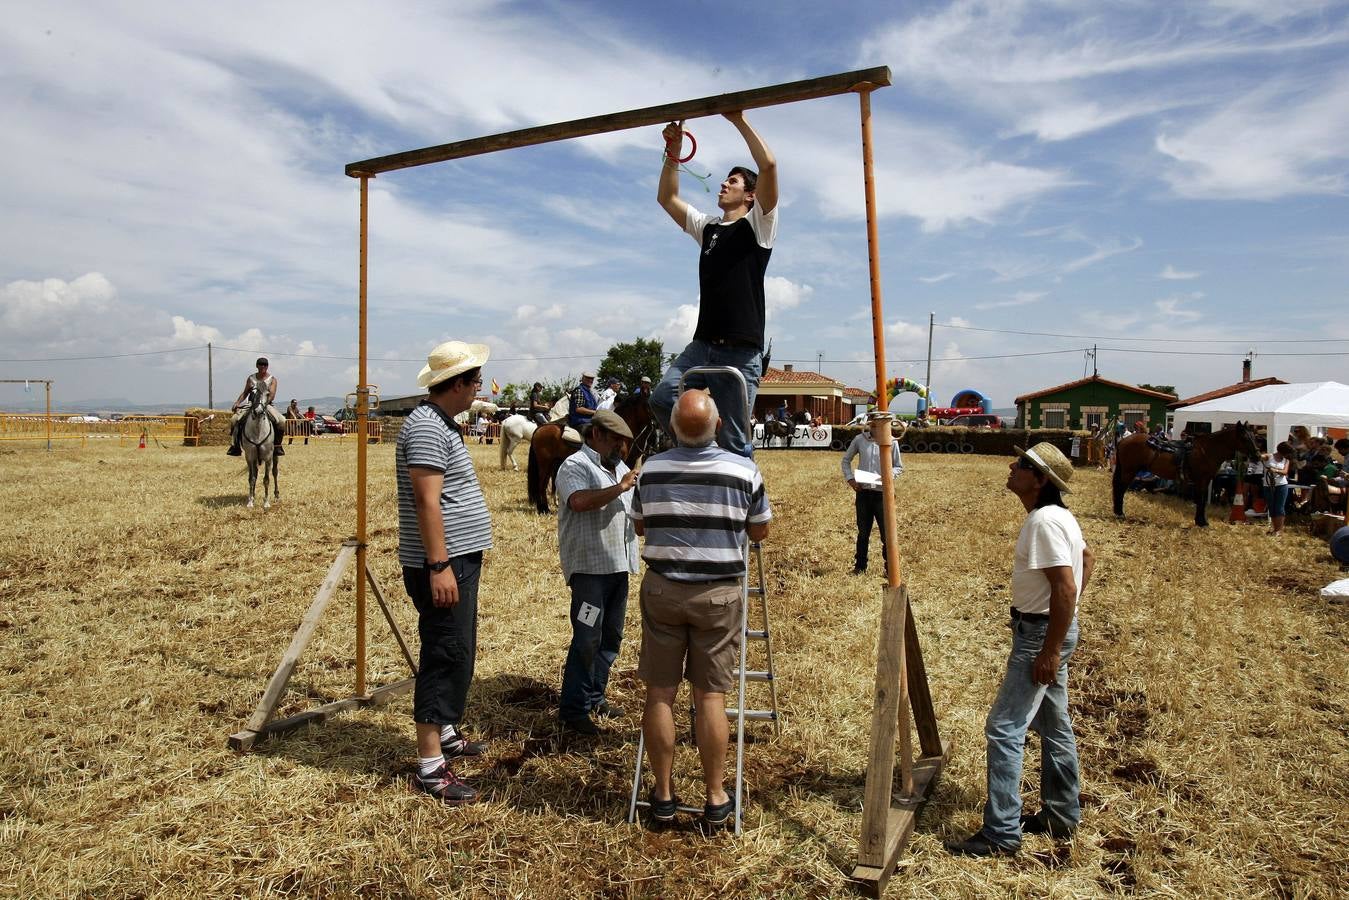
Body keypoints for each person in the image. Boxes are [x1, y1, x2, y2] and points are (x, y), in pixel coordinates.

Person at [630, 390, 772, 827]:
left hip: (662, 590)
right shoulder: (743, 470)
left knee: (660, 693)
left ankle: (663, 796)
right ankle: (714, 796)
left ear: (672, 427)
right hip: (718, 595)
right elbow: (760, 531)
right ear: (719, 427)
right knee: (711, 696)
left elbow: (640, 526)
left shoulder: (651, 469)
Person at [946, 442, 1095, 857]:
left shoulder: (1044, 521)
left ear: (1041, 479)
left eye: (1024, 464)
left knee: (1004, 727)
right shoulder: (1059, 516)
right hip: (1051, 629)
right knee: (1054, 724)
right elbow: (1087, 558)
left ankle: (1001, 833)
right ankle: (1061, 815)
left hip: (1040, 635)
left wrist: (1050, 648)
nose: (1013, 466)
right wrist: (1064, 622)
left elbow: (1065, 586)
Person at [397, 340, 494, 805]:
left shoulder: (440, 424)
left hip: (456, 559)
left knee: (458, 646)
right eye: (475, 381)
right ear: (455, 384)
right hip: (443, 562)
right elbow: (426, 501)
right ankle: (431, 765)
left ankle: (447, 729)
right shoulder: (426, 427)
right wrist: (439, 565)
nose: (478, 389)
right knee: (444, 651)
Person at [651, 112, 778, 458]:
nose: (723, 184)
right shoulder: (707, 228)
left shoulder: (759, 225)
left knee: (736, 444)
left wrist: (738, 119)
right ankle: (699, 457)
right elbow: (667, 198)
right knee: (662, 398)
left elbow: (768, 166)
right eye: (725, 179)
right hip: (702, 345)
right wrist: (674, 151)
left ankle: (741, 487)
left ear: (750, 196)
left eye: (732, 181)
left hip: (741, 351)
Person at [555, 409, 640, 735]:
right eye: (616, 440)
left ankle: (594, 696)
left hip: (619, 566)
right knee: (588, 637)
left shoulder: (619, 468)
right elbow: (578, 502)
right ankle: (573, 709)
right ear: (596, 435)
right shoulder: (575, 465)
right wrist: (620, 488)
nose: (622, 448)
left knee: (611, 637)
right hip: (590, 571)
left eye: (624, 442)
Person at [841, 426, 903, 575]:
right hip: (863, 494)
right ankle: (860, 567)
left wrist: (887, 476)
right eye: (873, 422)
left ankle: (890, 570)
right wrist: (850, 479)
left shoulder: (892, 441)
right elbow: (845, 460)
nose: (876, 425)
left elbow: (898, 467)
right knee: (863, 533)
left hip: (883, 495)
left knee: (886, 533)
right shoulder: (860, 440)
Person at [226, 357, 285, 456]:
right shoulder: (251, 378)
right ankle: (235, 446)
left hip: (266, 404)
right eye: (261, 364)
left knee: (282, 421)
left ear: (267, 366)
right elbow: (245, 393)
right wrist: (237, 402)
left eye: (265, 365)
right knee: (234, 420)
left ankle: (277, 446)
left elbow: (272, 395)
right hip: (251, 404)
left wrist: (263, 404)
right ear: (257, 366)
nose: (263, 366)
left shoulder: (272, 379)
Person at [1262, 441, 1293, 536]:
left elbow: (1285, 472)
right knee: (1271, 507)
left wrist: (1275, 470)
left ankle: (1278, 530)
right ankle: (1275, 528)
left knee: (1279, 507)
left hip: (1281, 485)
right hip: (1268, 485)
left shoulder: (1286, 460)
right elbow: (1261, 456)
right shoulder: (1269, 457)